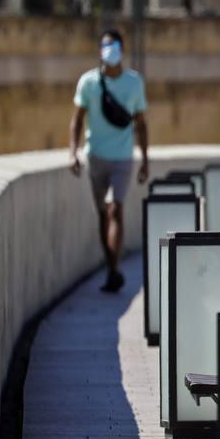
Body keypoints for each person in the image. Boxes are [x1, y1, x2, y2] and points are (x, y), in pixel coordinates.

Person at [69, 30, 149, 292]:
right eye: (105, 46)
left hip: (123, 158)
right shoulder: (89, 82)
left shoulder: (134, 83)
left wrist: (145, 158)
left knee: (116, 208)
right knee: (103, 215)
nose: (110, 50)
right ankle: (111, 266)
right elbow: (77, 119)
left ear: (122, 50)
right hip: (96, 156)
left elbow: (141, 123)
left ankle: (114, 269)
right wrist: (73, 152)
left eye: (113, 45)